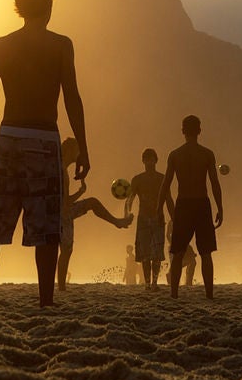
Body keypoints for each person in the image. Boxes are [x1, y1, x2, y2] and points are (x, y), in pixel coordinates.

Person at [0, 0, 93, 308]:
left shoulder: (2, 45)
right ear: (49, 6)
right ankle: (46, 300)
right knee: (47, 227)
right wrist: (83, 148)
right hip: (44, 139)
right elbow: (72, 99)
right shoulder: (61, 45)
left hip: (8, 138)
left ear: (18, 7)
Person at [57, 136, 133, 290]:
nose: (79, 155)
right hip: (62, 214)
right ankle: (117, 222)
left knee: (65, 251)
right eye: (77, 151)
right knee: (92, 203)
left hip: (56, 212)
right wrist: (81, 192)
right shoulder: (62, 170)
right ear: (71, 151)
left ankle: (62, 287)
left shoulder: (60, 167)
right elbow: (65, 202)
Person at [163, 115, 223, 298]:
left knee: (178, 252)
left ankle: (174, 294)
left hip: (184, 203)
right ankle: (209, 295)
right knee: (205, 253)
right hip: (201, 203)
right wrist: (220, 207)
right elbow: (214, 183)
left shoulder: (175, 154)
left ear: (183, 131)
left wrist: (159, 209)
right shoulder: (206, 154)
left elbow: (166, 185)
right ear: (199, 131)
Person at [127, 149, 171, 288]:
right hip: (143, 219)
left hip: (158, 218)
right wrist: (127, 214)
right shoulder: (137, 179)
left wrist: (175, 217)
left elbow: (168, 199)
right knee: (145, 254)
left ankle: (155, 282)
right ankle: (147, 283)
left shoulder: (162, 178)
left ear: (156, 160)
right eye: (147, 159)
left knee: (157, 254)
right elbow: (130, 199)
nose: (149, 162)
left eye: (151, 159)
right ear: (143, 161)